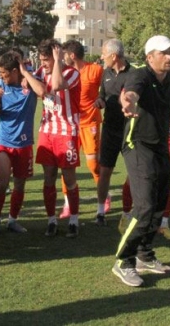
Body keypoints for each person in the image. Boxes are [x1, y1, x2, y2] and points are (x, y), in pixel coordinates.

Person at [112, 35, 170, 287]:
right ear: (149, 57)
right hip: (137, 145)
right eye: (164, 52)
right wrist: (128, 101)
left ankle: (145, 254)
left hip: (160, 146)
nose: (169, 56)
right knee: (143, 206)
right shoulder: (141, 75)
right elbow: (130, 93)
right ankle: (123, 261)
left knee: (158, 202)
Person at [0, 50, 41, 235]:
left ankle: (13, 220)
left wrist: (26, 73)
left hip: (24, 144)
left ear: (15, 71)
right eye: (0, 73)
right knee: (2, 182)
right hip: (4, 142)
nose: (1, 76)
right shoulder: (0, 85)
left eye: (4, 73)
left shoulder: (30, 84)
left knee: (19, 185)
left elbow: (42, 91)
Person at [33, 39, 81, 238]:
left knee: (69, 177)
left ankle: (74, 220)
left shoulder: (72, 73)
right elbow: (33, 87)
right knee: (48, 177)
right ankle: (51, 220)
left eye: (47, 59)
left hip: (67, 131)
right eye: (42, 59)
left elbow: (59, 85)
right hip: (47, 131)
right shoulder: (41, 73)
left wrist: (57, 61)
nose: (43, 63)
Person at [59, 40, 107, 223]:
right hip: (70, 125)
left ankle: (104, 196)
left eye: (64, 55)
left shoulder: (94, 70)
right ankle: (66, 204)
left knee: (94, 165)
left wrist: (102, 99)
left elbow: (110, 84)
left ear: (72, 56)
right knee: (67, 165)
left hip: (90, 123)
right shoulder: (63, 73)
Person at [95, 39, 133, 233]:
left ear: (114, 56)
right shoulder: (106, 73)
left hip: (130, 130)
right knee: (105, 172)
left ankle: (131, 211)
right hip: (110, 129)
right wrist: (100, 102)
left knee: (134, 172)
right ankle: (100, 212)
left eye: (103, 54)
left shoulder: (134, 73)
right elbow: (101, 95)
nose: (101, 57)